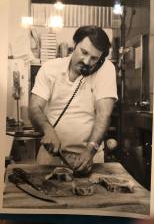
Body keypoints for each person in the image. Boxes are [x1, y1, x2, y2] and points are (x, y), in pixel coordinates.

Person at [29, 25, 118, 174]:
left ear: (101, 59)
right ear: (74, 44)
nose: (87, 61)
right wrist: (47, 130)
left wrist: (90, 150)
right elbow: (34, 108)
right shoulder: (49, 68)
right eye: (84, 52)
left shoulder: (106, 69)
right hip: (51, 157)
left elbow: (104, 114)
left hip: (89, 158)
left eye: (94, 58)